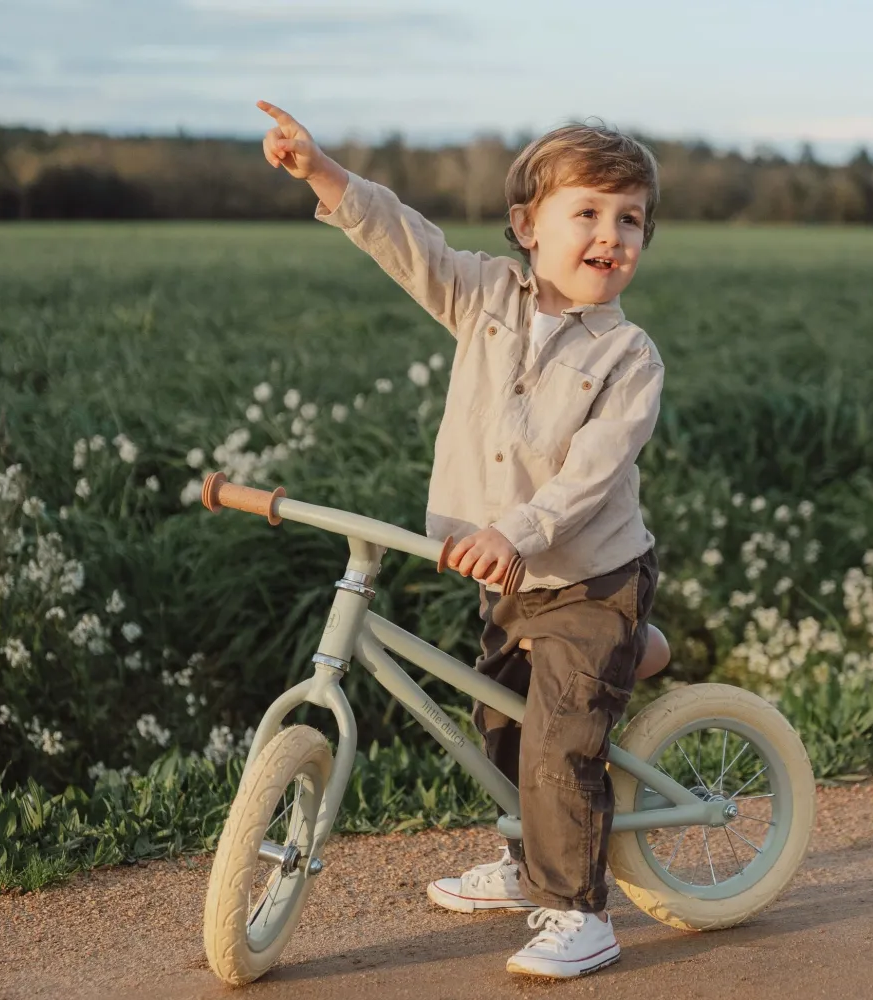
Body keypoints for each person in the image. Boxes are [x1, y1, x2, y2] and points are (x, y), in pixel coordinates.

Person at [257, 100, 666, 979]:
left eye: (630, 218)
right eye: (587, 212)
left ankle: (579, 912)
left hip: (590, 577)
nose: (611, 234)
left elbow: (590, 473)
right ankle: (530, 861)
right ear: (526, 227)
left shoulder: (631, 356)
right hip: (510, 580)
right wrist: (323, 172)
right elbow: (405, 242)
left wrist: (515, 530)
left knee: (560, 740)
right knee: (502, 721)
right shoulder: (482, 296)